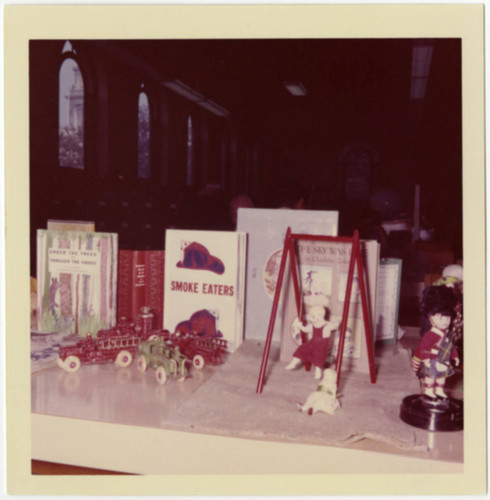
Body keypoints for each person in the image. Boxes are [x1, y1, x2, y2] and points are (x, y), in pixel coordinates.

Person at [411, 285, 460, 399]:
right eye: (441, 318)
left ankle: (439, 390)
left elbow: (450, 346)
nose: (445, 322)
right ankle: (429, 390)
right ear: (430, 318)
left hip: (443, 360)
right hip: (432, 359)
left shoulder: (447, 333)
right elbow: (424, 347)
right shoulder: (431, 334)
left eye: (447, 318)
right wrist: (426, 358)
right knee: (431, 375)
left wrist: (455, 356)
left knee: (442, 377)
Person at [285, 305, 339, 379]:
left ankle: (318, 370)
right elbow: (306, 329)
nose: (316, 319)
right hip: (313, 342)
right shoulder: (313, 325)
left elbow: (334, 326)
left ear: (323, 315)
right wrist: (301, 327)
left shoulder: (327, 324)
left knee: (319, 356)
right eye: (314, 317)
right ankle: (293, 363)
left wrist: (337, 323)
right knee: (302, 349)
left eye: (319, 316)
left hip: (322, 344)